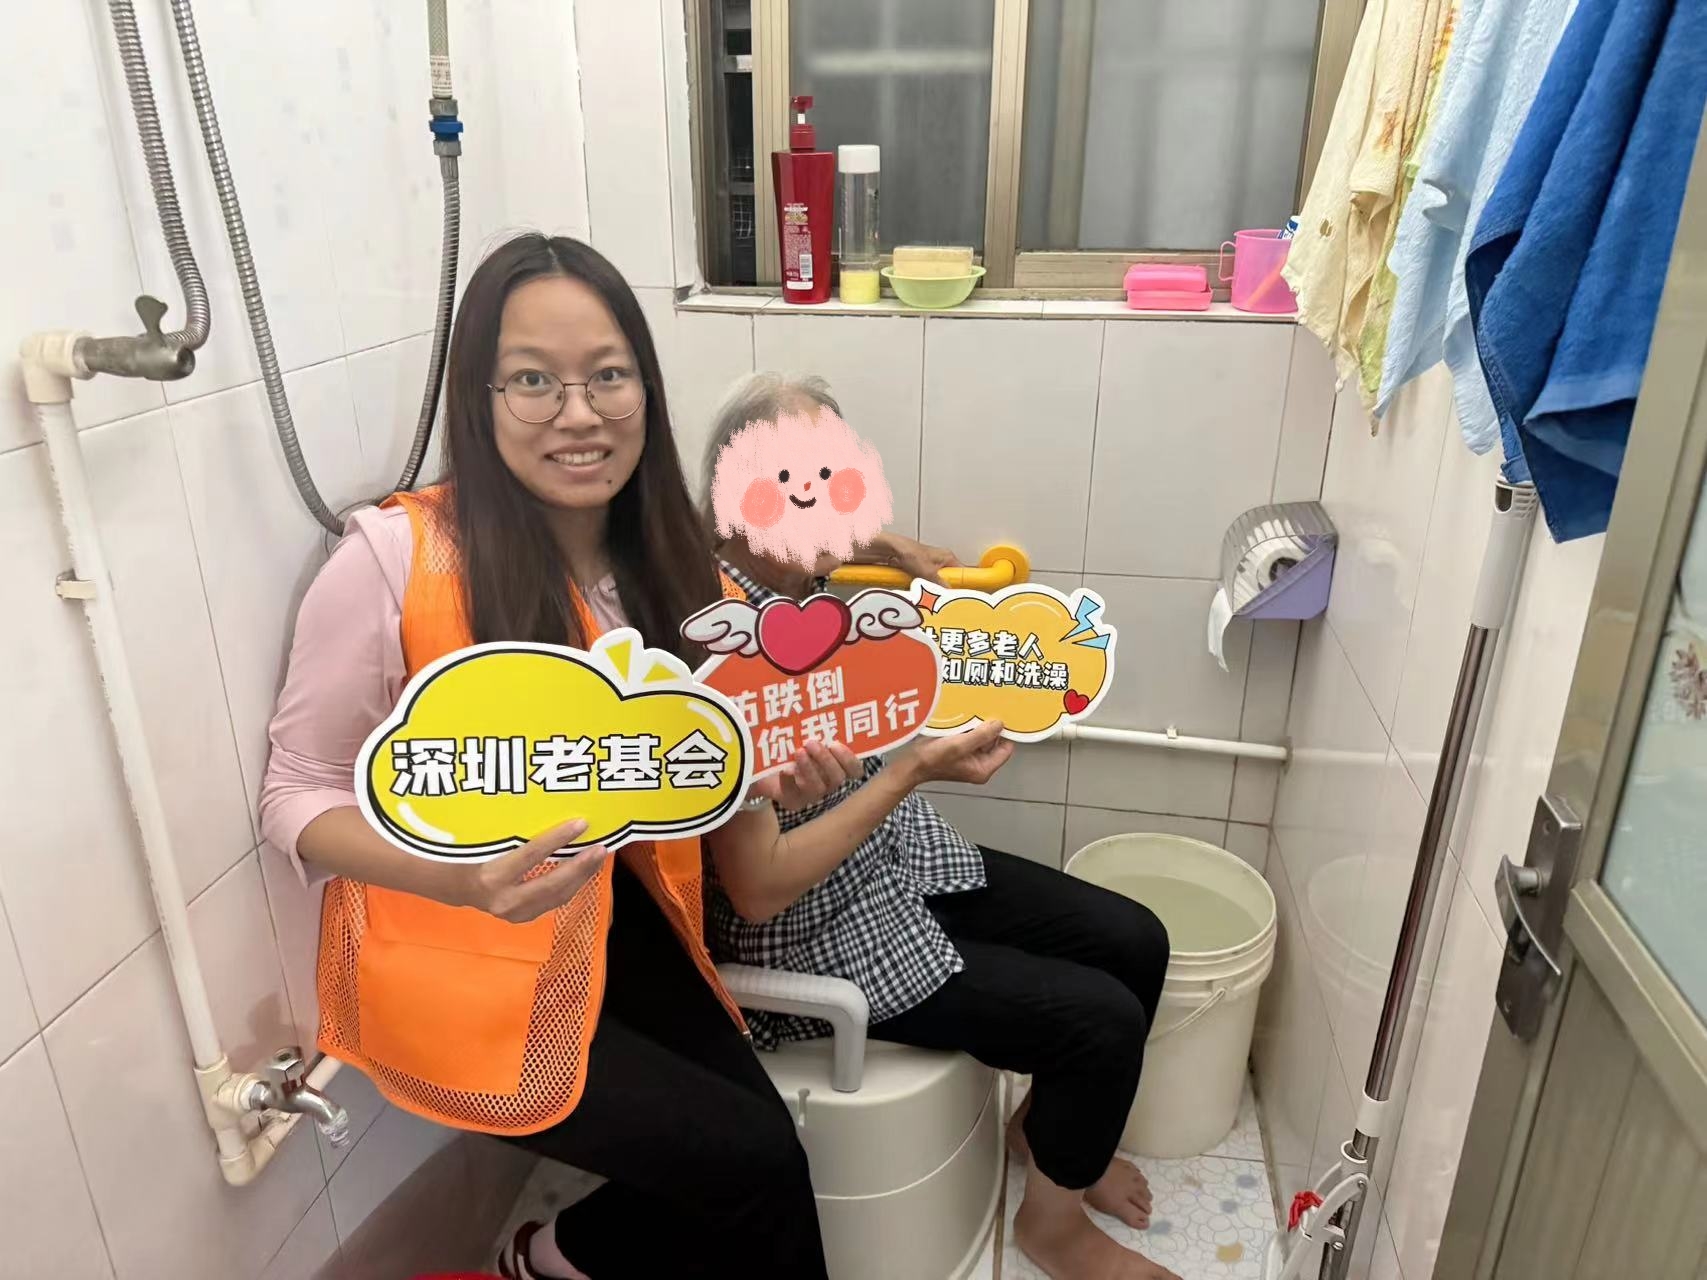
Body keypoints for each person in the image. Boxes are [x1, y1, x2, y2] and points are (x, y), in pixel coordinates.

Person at [258, 235, 1007, 1280]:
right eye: (533, 380)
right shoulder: (392, 559)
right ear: (479, 397)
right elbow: (294, 792)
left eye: (608, 375)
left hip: (620, 919)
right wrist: (462, 880)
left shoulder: (674, 565)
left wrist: (763, 776)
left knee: (761, 1161)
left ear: (646, 392)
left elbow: (704, 770)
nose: (579, 412)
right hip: (463, 962)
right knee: (751, 1165)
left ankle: (547, 1256)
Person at [701, 373, 1181, 1280]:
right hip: (810, 931)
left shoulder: (787, 569)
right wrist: (913, 769)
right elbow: (757, 891)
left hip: (892, 857)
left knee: (1134, 939)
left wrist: (891, 544)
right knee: (1099, 1024)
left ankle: (1044, 1137)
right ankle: (1053, 1227)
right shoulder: (716, 646)